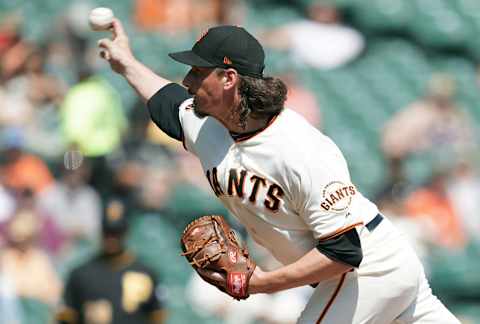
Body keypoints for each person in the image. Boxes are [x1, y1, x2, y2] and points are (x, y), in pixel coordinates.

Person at [97, 20, 460, 323]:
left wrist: (262, 283)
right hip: (370, 275)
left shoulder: (300, 148)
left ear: (228, 79)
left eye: (198, 71)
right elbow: (166, 102)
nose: (188, 81)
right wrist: (125, 61)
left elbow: (344, 252)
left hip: (368, 272)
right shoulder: (205, 124)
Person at [56, 199, 166, 324]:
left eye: (116, 234)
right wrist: (84, 316)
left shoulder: (146, 272)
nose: (111, 239)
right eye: (107, 233)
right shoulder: (81, 274)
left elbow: (157, 316)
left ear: (126, 233)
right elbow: (64, 317)